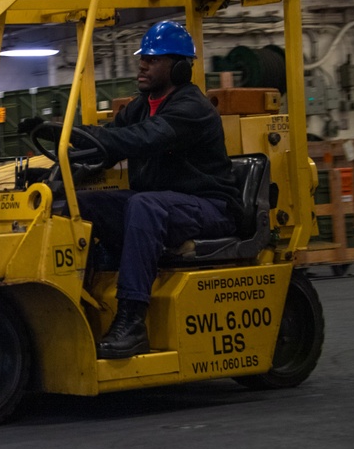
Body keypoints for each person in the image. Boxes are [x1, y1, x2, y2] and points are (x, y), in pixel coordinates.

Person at [30, 21, 241, 360]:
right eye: (143, 57)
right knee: (77, 204)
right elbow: (107, 147)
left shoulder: (192, 108)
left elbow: (141, 140)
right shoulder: (141, 106)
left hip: (209, 207)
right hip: (163, 204)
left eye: (153, 59)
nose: (142, 64)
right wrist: (57, 163)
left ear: (180, 67)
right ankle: (72, 299)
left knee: (144, 205)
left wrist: (76, 133)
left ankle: (131, 322)